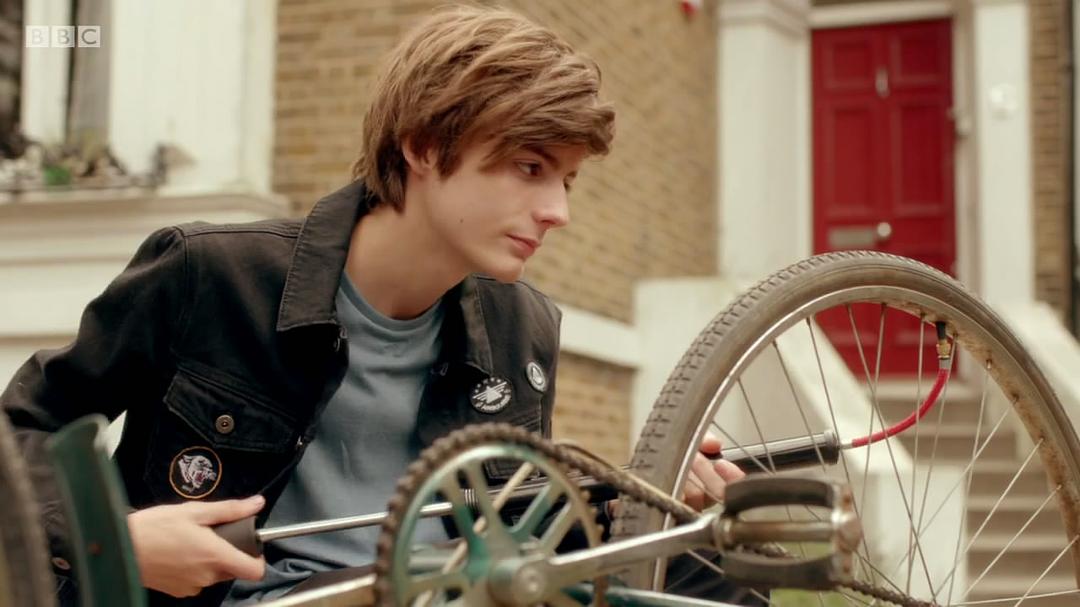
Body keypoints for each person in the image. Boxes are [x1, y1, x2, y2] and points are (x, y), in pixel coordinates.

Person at [1, 5, 744, 606]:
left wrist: (643, 503)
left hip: (443, 593)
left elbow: (523, 538)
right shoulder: (210, 275)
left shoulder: (523, 329)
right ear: (422, 147)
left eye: (567, 180)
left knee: (718, 579)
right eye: (529, 167)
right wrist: (113, 541)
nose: (558, 211)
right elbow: (20, 429)